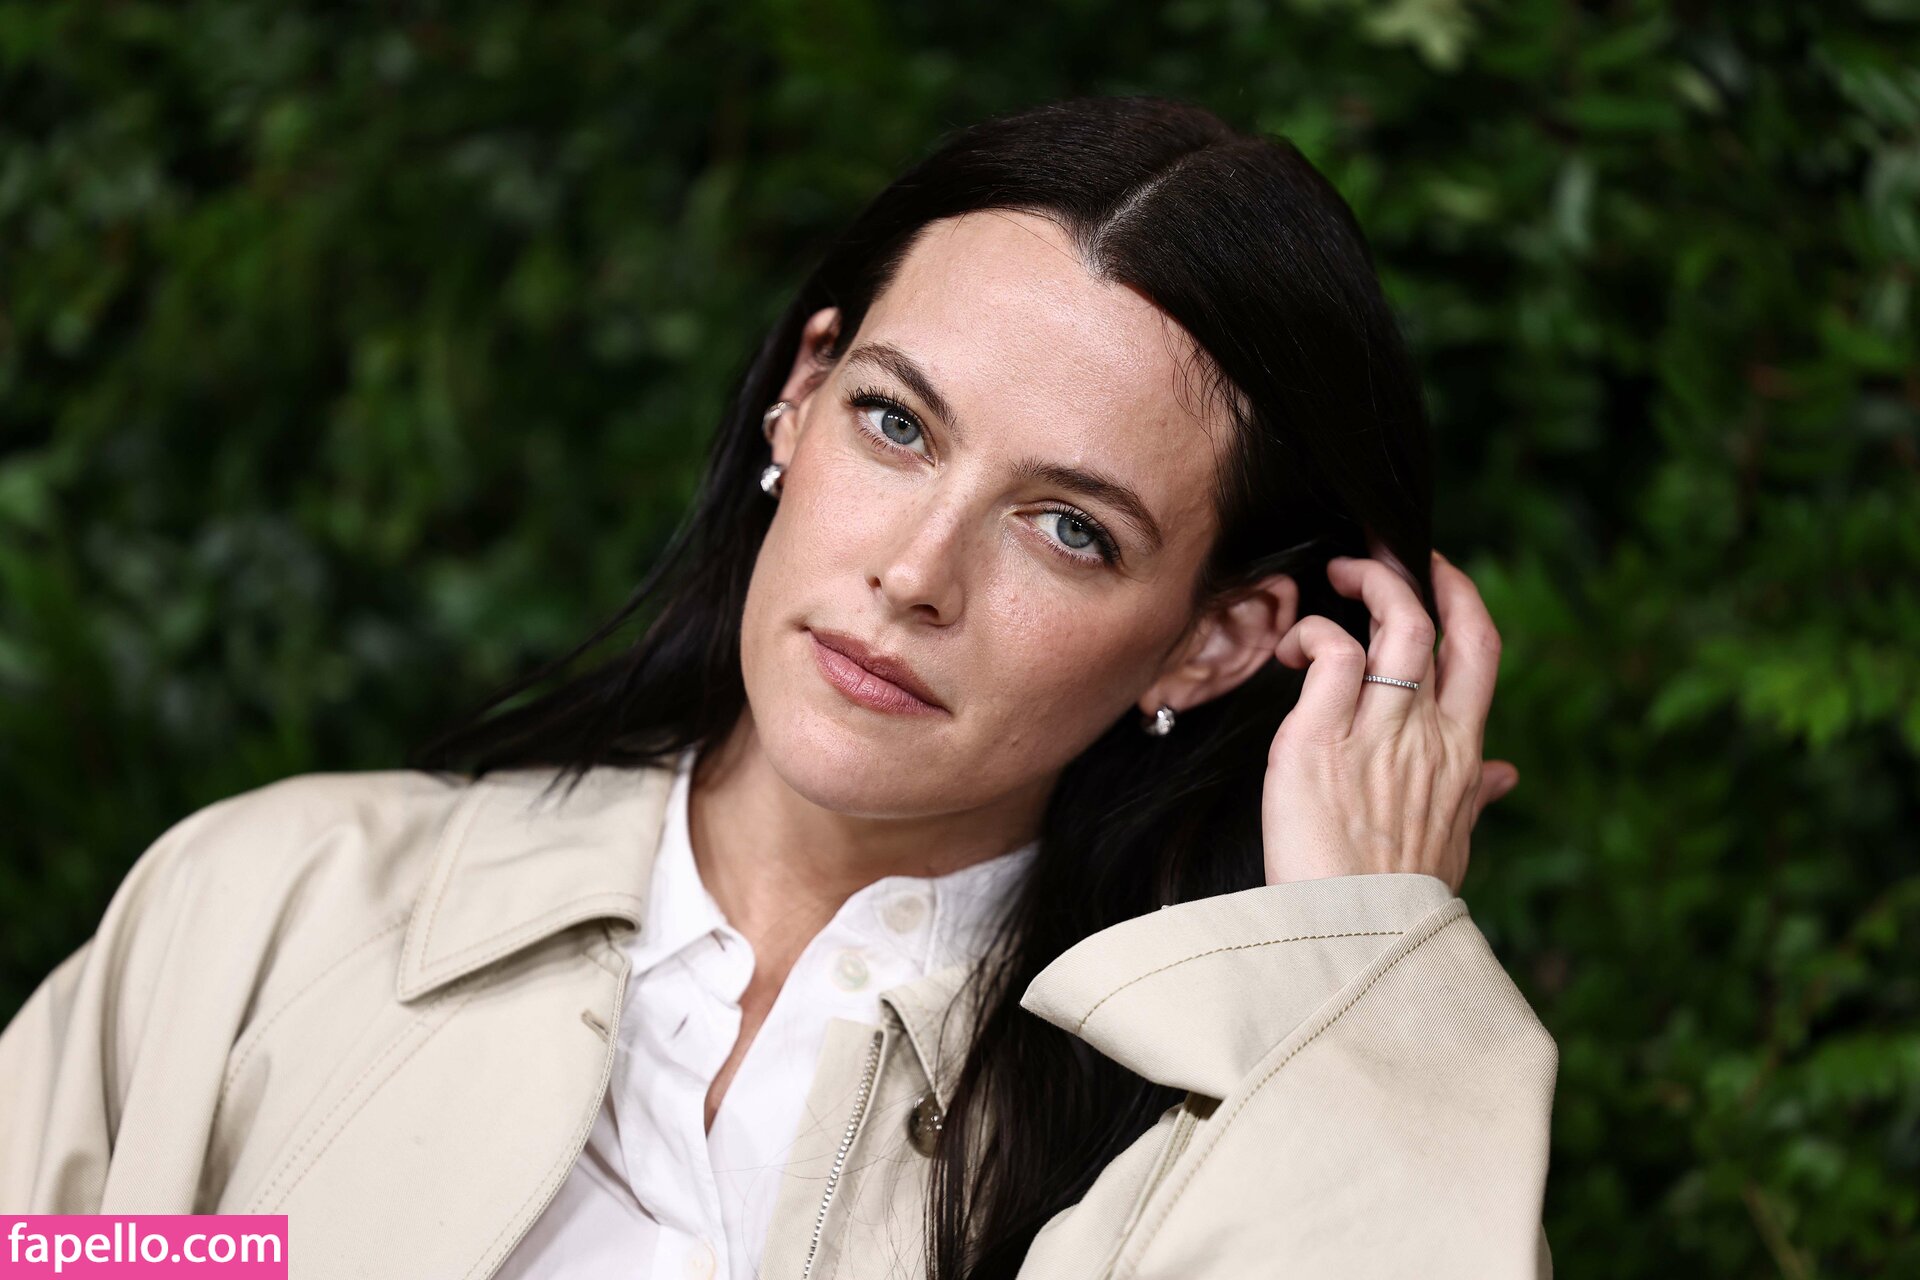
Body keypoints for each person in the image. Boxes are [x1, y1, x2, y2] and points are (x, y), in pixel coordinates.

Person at [0, 94, 1554, 1279]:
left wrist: (1362, 981)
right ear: (800, 399)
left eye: (1070, 529)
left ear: (1210, 641)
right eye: (898, 424)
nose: (918, 573)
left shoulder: (1204, 1150)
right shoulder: (275, 911)